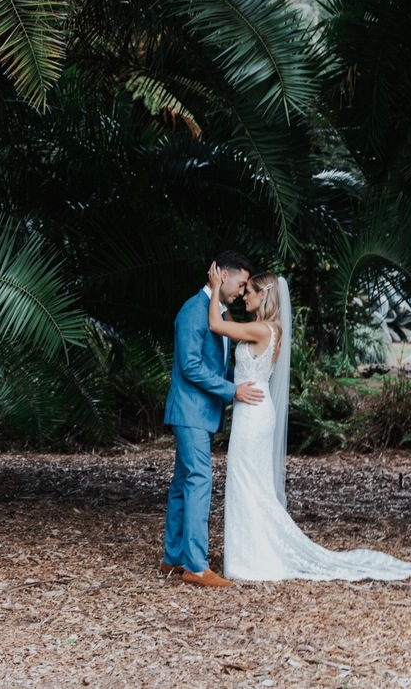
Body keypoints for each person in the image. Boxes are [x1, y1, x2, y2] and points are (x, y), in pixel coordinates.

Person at [208, 265, 411, 583]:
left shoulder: (263, 330)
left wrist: (214, 287)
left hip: (252, 413)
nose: (245, 296)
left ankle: (251, 559)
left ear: (263, 296)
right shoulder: (268, 328)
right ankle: (251, 554)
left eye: (249, 291)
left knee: (247, 482)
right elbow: (229, 327)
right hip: (254, 407)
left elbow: (215, 324)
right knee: (251, 483)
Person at [161, 251, 265, 587]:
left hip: (199, 413)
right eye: (240, 283)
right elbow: (191, 366)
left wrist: (242, 379)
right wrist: (232, 390)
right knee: (199, 482)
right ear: (220, 274)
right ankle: (196, 566)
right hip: (191, 411)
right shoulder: (194, 310)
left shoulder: (218, 312)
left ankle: (172, 558)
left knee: (182, 484)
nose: (240, 291)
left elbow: (216, 362)